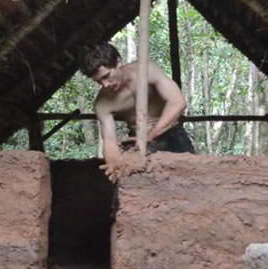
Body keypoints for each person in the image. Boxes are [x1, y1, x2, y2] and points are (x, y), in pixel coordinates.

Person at [80, 42, 195, 183]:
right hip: (137, 142)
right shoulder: (102, 103)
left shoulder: (147, 70)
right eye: (98, 81)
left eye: (106, 76)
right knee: (131, 184)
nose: (105, 85)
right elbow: (109, 141)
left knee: (192, 177)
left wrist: (150, 135)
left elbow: (178, 102)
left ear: (118, 62)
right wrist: (113, 163)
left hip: (172, 133)